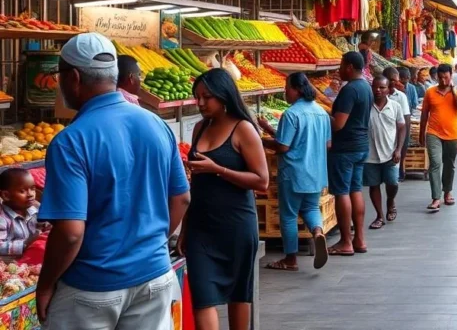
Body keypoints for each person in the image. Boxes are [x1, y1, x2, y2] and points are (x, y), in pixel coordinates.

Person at [37, 33, 190, 328]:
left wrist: (45, 285)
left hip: (92, 287)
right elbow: (181, 198)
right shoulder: (156, 124)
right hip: (155, 277)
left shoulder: (71, 141)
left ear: (74, 78)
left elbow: (70, 233)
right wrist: (147, 246)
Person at [183, 68, 268, 330]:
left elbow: (262, 181)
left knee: (238, 295)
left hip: (236, 225)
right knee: (202, 299)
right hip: (200, 228)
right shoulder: (198, 129)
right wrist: (185, 228)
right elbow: (196, 185)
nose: (200, 103)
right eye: (197, 97)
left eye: (206, 97)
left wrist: (218, 169)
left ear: (223, 95)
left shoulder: (243, 130)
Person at [258, 72, 330, 272]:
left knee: (288, 215)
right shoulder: (322, 113)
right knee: (311, 208)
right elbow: (328, 143)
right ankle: (317, 233)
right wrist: (270, 130)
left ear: (296, 89)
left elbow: (282, 147)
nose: (285, 92)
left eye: (286, 88)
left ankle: (290, 259)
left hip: (294, 172)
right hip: (316, 171)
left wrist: (261, 140)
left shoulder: (291, 114)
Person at [328, 51, 373, 256]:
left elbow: (338, 124)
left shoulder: (350, 90)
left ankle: (346, 241)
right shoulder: (366, 87)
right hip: (361, 146)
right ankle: (359, 239)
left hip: (345, 148)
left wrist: (322, 116)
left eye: (341, 65)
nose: (339, 69)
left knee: (342, 192)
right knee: (355, 189)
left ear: (348, 67)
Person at [420, 64, 457, 211]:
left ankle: (447, 192)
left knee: (449, 164)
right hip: (433, 133)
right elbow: (424, 113)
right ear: (436, 77)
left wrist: (453, 91)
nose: (443, 80)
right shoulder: (430, 92)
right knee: (435, 164)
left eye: (446, 77)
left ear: (451, 76)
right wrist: (422, 133)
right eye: (440, 77)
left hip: (452, 134)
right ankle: (436, 197)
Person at [364, 76, 405, 230]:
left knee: (392, 182)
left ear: (388, 89)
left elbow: (401, 127)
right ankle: (379, 216)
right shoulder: (366, 106)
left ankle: (390, 201)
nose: (378, 90)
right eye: (375, 87)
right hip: (370, 154)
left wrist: (399, 149)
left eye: (382, 87)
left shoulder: (395, 106)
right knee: (374, 185)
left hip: (390, 153)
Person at [0, 168, 41, 259]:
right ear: (6, 195)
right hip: (11, 263)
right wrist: (26, 244)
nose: (30, 194)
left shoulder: (35, 208)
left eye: (32, 189)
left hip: (33, 255)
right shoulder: (2, 219)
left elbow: (46, 227)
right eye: (22, 191)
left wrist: (47, 224)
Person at [394, 67, 419, 181]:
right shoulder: (397, 90)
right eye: (404, 78)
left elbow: (413, 104)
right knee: (400, 145)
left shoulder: (408, 90)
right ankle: (398, 170)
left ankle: (400, 170)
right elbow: (414, 104)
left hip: (405, 118)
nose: (406, 80)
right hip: (401, 118)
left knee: (402, 145)